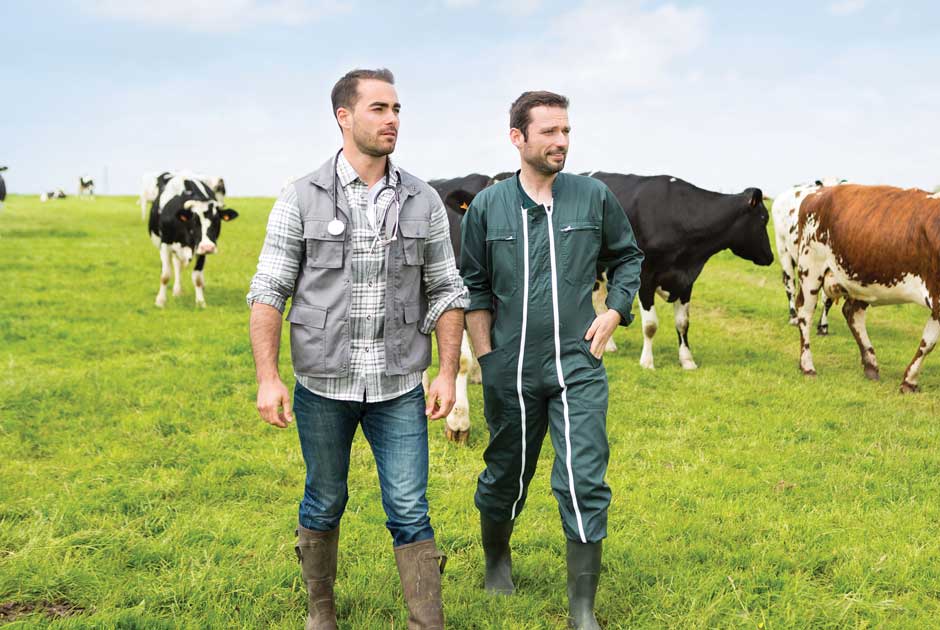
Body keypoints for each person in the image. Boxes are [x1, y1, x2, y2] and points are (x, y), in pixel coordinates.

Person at [247, 68, 467, 630]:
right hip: (323, 384)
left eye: (396, 109)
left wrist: (446, 374)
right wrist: (268, 378)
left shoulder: (424, 200)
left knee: (410, 508)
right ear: (343, 117)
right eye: (378, 108)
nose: (392, 118)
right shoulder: (300, 197)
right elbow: (269, 290)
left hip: (398, 386)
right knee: (324, 499)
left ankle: (427, 622)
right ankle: (321, 612)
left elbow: (446, 288)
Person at [458, 91, 643, 629]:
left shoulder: (593, 197)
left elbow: (628, 256)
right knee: (505, 475)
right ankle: (497, 558)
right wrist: (489, 357)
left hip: (577, 364)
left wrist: (615, 310)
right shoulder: (489, 206)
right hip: (509, 368)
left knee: (583, 477)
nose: (561, 141)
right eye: (549, 133)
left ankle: (582, 609)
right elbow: (474, 287)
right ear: (518, 138)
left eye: (566, 131)